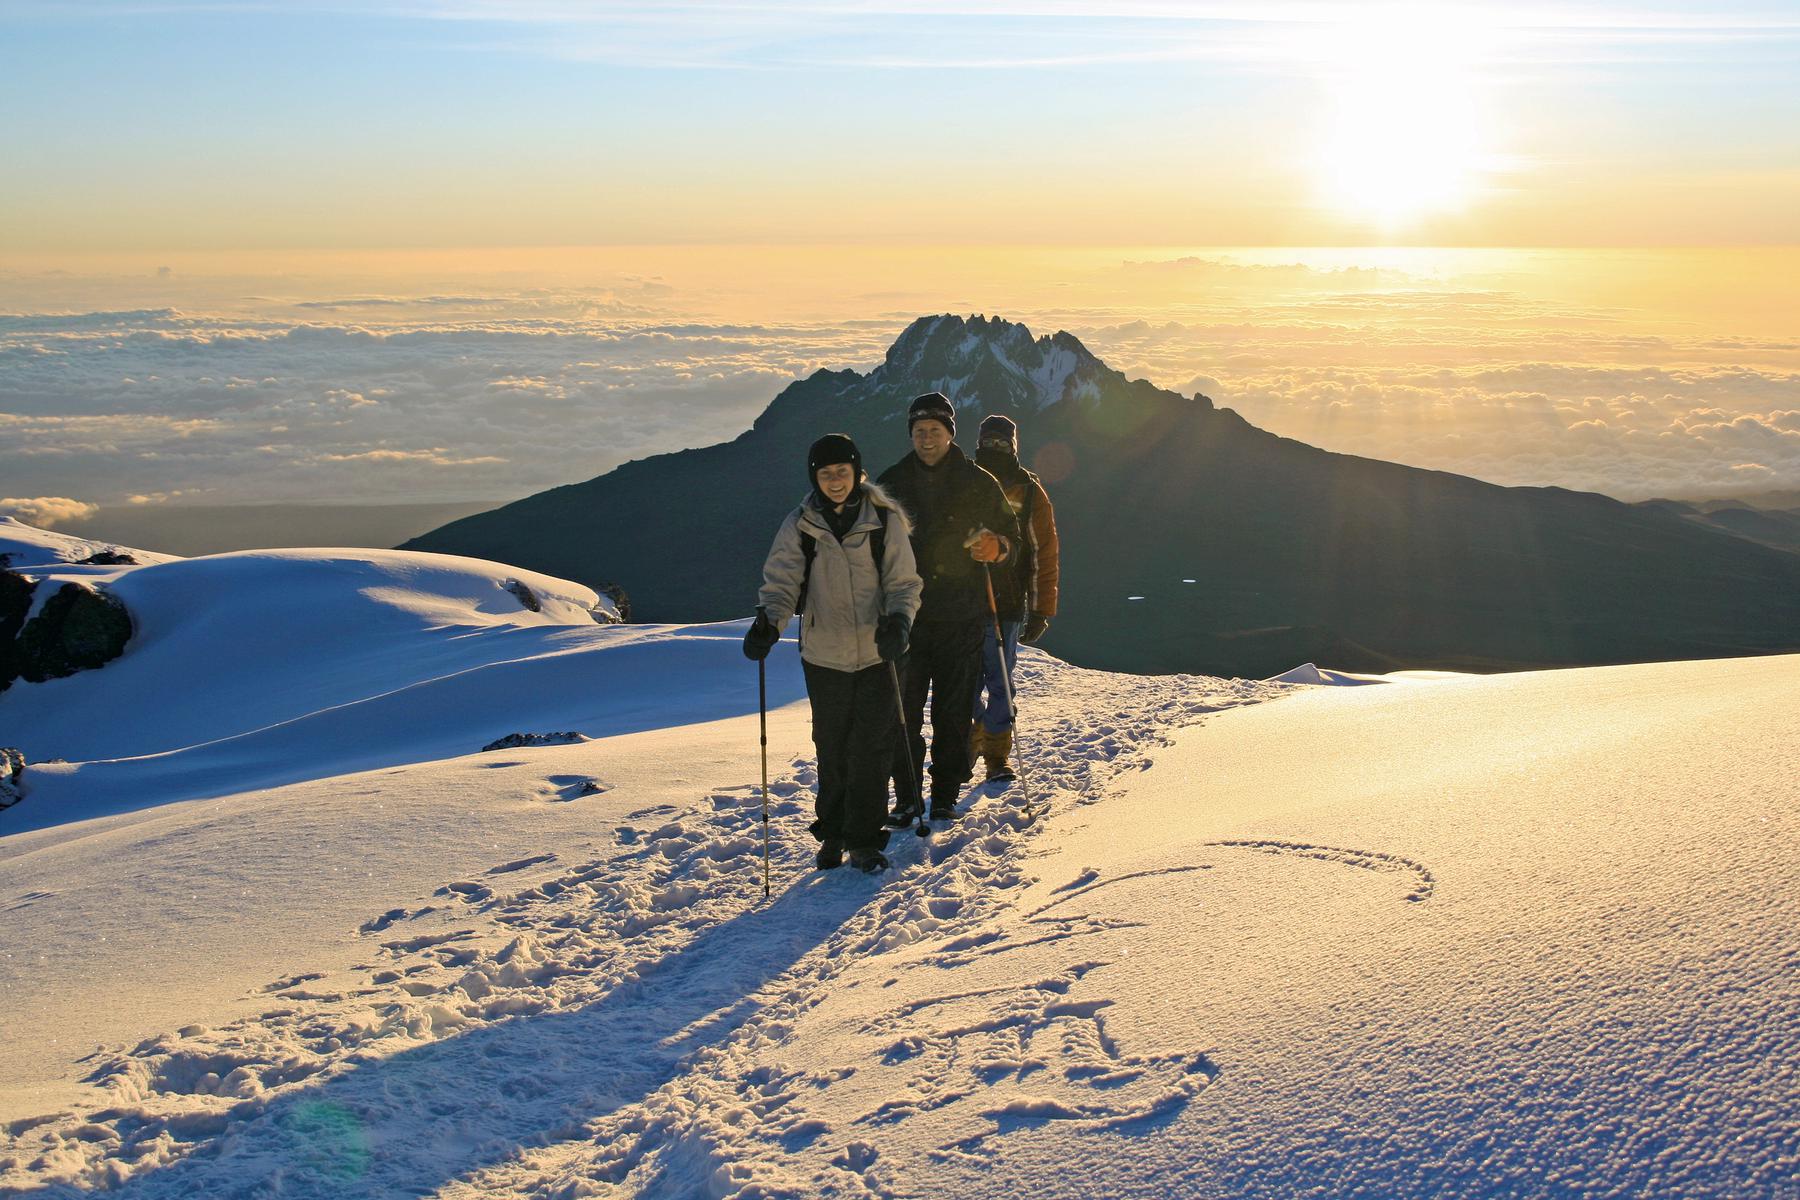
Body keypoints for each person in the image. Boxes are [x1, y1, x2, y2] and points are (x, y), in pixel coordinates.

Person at [745, 434, 922, 873]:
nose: (835, 481)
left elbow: (904, 582)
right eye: (826, 475)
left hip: (879, 653)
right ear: (815, 478)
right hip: (824, 656)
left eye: (842, 472)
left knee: (870, 749)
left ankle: (863, 839)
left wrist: (900, 622)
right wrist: (769, 622)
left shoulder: (884, 520)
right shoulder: (801, 524)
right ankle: (833, 833)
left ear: (856, 472)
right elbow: (783, 581)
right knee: (831, 748)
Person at [876, 393, 1020, 822]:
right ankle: (907, 796)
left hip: (962, 614)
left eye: (934, 431)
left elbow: (1011, 543)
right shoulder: (892, 483)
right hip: (908, 618)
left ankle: (943, 795)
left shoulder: (978, 482)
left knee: (952, 712)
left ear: (949, 434)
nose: (926, 439)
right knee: (903, 712)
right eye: (919, 432)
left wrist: (997, 548)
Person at [970, 414, 1061, 781]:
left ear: (1012, 447)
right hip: (960, 602)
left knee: (1000, 682)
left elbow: (1044, 553)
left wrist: (1041, 609)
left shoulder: (1029, 491)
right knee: (964, 683)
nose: (994, 449)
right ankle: (975, 735)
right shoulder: (964, 481)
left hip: (1005, 603)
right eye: (988, 443)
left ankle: (995, 754)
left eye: (1001, 443)